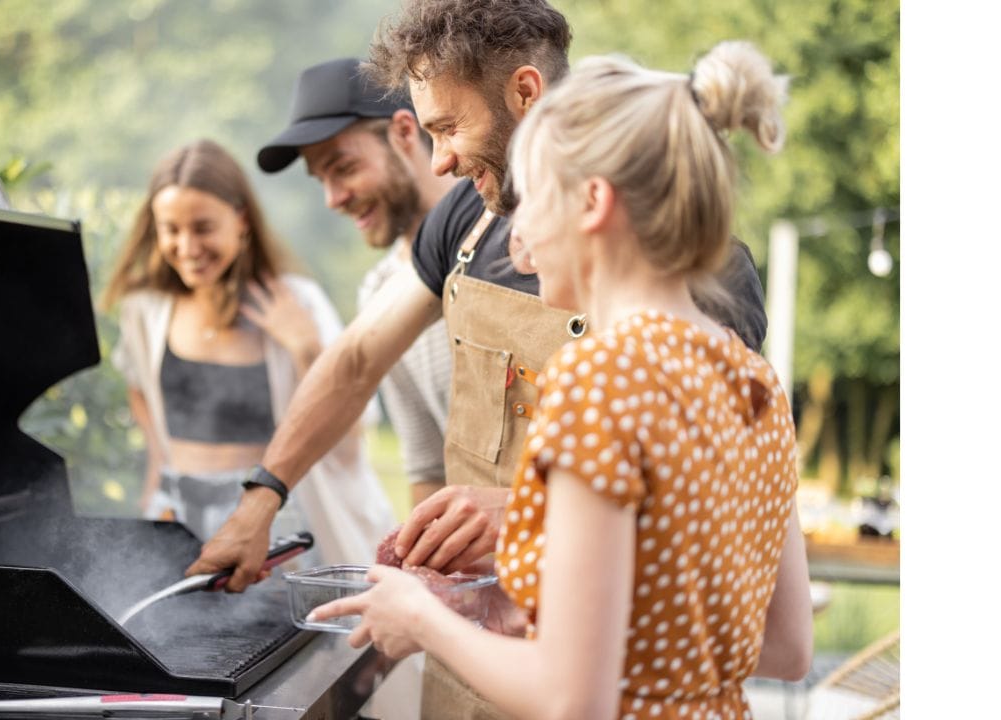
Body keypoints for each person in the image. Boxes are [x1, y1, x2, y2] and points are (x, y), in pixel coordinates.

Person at [186, 1, 767, 715]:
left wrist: (529, 513)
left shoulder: (698, 288)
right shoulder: (462, 219)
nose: (439, 162)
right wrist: (262, 496)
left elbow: (704, 519)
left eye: (449, 127)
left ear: (525, 92)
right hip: (475, 654)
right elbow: (358, 358)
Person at [310, 41, 815, 719]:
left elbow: (572, 699)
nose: (517, 242)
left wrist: (424, 622)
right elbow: (785, 648)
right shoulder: (753, 383)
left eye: (532, 202)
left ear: (593, 204)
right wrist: (517, 612)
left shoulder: (598, 380)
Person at [101, 139, 394, 566]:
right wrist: (155, 471)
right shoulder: (146, 310)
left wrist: (306, 345)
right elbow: (139, 388)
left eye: (202, 228)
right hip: (175, 515)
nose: (187, 247)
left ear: (240, 219)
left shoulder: (298, 301)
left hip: (270, 518)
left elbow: (353, 428)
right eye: (171, 229)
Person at [257, 57, 458, 510]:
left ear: (405, 133)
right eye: (321, 180)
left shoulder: (504, 240)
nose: (333, 199)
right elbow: (428, 469)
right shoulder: (378, 292)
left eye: (343, 168)